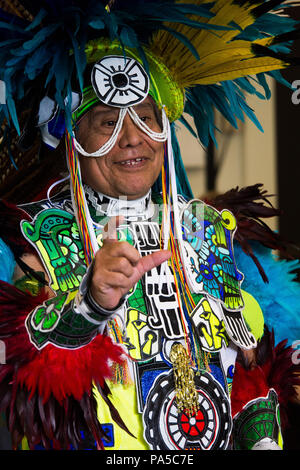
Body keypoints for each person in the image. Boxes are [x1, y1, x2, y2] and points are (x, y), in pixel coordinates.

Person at [0, 0, 299, 451]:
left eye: (147, 117)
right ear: (73, 140)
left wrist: (261, 440)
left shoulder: (208, 233)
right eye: (108, 121)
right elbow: (24, 377)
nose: (134, 136)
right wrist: (91, 304)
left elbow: (246, 376)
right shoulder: (37, 243)